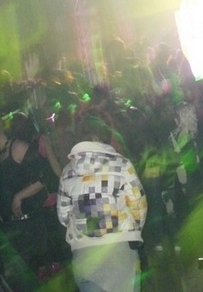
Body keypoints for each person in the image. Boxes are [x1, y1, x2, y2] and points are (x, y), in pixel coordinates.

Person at [57, 109, 147, 292]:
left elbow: (63, 216)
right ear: (102, 136)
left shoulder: (67, 172)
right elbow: (139, 206)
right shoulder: (121, 165)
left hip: (84, 255)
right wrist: (132, 229)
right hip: (119, 251)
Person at [0, 116, 48, 291]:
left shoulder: (17, 147)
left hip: (27, 223)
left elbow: (43, 178)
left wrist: (19, 196)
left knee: (27, 278)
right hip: (9, 226)